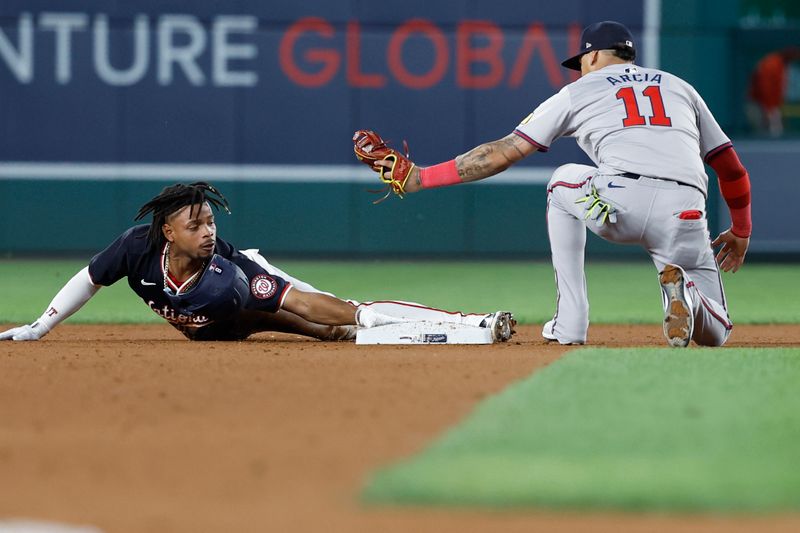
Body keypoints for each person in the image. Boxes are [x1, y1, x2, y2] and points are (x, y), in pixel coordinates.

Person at [363, 21, 751, 347]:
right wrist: (741, 229)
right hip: (685, 208)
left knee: (561, 182)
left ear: (595, 56)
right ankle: (691, 301)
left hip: (621, 201)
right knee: (716, 334)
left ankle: (571, 323)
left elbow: (505, 151)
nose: (579, 69)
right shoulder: (680, 87)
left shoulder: (581, 90)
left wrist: (421, 178)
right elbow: (730, 168)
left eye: (581, 60)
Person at [0, 182, 515, 342]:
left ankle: (465, 324)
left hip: (245, 295)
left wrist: (355, 314)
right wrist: (40, 327)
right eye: (196, 224)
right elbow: (88, 280)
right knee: (328, 326)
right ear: (168, 231)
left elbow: (299, 300)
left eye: (210, 221)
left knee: (334, 322)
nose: (208, 230)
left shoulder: (228, 267)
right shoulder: (137, 247)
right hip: (214, 325)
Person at [747, 47, 800, 137]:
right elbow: (765, 88)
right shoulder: (772, 64)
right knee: (767, 135)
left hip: (770, 106)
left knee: (773, 133)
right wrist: (769, 109)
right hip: (759, 105)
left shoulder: (781, 64)